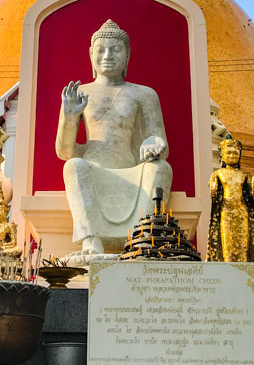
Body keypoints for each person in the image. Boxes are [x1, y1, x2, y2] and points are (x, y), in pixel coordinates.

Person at [56, 19, 173, 255]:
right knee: (73, 166)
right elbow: (65, 152)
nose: (107, 56)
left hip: (132, 171)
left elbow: (160, 142)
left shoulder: (144, 94)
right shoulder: (80, 93)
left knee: (161, 168)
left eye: (116, 49)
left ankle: (143, 236)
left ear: (127, 55)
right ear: (91, 54)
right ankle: (90, 239)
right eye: (101, 50)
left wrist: (153, 144)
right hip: (93, 170)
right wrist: (69, 117)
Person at [207, 138, 254, 262]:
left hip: (242, 210)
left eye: (235, 153)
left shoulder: (245, 175)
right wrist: (213, 190)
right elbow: (214, 195)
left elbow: (250, 197)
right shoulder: (218, 174)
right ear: (222, 155)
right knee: (227, 242)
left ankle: (244, 265)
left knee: (243, 243)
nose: (232, 156)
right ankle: (228, 267)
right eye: (229, 153)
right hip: (226, 211)